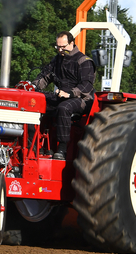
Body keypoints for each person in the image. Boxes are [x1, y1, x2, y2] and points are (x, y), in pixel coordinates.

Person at [33, 31, 96, 160]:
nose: (60, 50)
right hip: (61, 96)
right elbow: (45, 77)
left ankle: (62, 149)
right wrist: (32, 86)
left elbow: (86, 86)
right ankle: (36, 145)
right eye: (58, 47)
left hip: (81, 99)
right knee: (35, 102)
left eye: (63, 46)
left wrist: (70, 93)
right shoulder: (56, 60)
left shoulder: (84, 61)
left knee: (64, 108)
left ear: (72, 43)